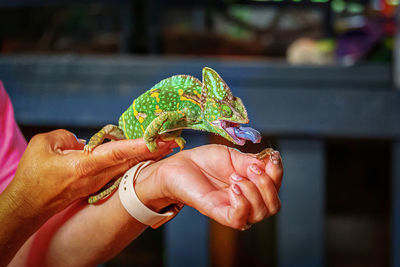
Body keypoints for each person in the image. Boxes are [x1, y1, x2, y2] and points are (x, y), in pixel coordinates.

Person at [0, 83, 283, 266]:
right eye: (226, 112)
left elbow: (29, 252)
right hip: (135, 125)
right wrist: (24, 203)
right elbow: (158, 122)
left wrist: (156, 182)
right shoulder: (191, 111)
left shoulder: (196, 114)